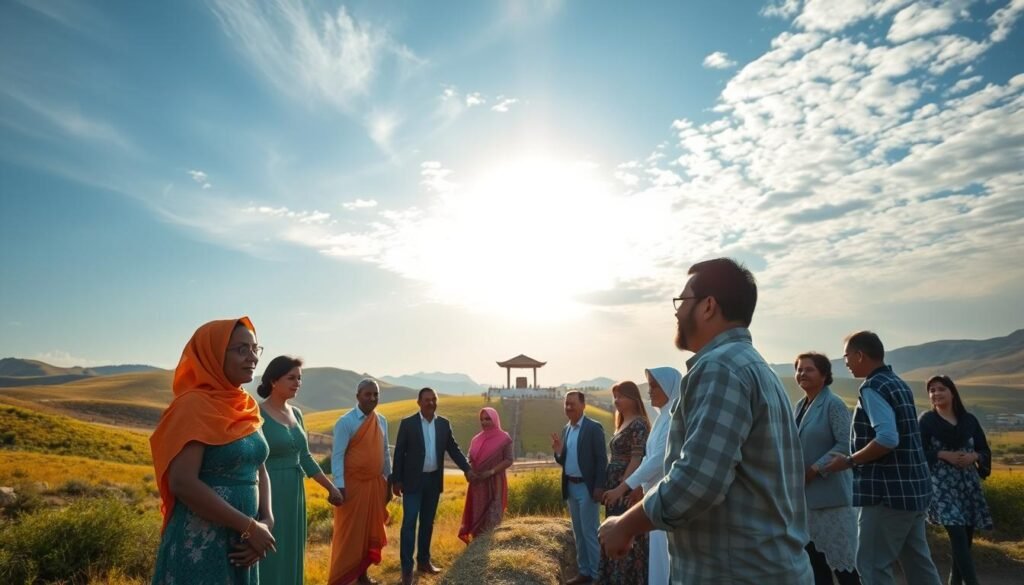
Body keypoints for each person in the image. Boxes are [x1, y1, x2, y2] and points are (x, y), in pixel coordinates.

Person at [599, 257, 812, 584]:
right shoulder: (754, 367)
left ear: (708, 306)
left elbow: (696, 482)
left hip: (736, 573)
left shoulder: (720, 369)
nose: (677, 312)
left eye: (682, 301)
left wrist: (625, 525)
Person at [150, 317, 275, 585]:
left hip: (243, 543)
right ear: (214, 354)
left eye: (255, 349)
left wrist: (266, 521)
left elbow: (259, 468)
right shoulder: (194, 405)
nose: (252, 357)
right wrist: (249, 527)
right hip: (201, 543)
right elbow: (183, 482)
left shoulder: (246, 405)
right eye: (242, 349)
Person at [823, 331, 941, 585]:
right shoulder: (897, 382)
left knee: (873, 565)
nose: (845, 362)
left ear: (860, 355)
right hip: (914, 490)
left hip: (886, 494)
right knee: (919, 563)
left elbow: (888, 438)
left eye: (846, 356)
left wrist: (849, 461)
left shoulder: (872, 388)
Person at [257, 356, 343, 585]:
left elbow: (305, 457)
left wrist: (331, 487)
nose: (297, 383)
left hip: (295, 493)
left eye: (300, 379)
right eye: (291, 378)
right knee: (269, 551)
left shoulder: (297, 414)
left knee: (291, 549)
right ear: (274, 381)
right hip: (268, 492)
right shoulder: (256, 414)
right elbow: (252, 459)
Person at [601, 367, 680, 585]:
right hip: (652, 493)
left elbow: (657, 460)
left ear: (668, 387)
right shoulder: (664, 416)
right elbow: (649, 458)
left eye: (654, 386)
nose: (650, 391)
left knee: (664, 558)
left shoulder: (673, 418)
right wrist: (638, 486)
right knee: (657, 559)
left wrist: (623, 487)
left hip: (664, 495)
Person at [391, 388, 472, 585]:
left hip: (433, 482)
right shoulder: (408, 423)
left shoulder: (443, 424)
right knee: (409, 524)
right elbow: (399, 452)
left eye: (434, 399)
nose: (430, 403)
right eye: (426, 400)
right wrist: (396, 480)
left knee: (428, 523)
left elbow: (454, 449)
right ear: (418, 402)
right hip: (412, 482)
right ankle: (407, 569)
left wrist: (467, 469)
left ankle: (424, 562)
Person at [792, 352, 860, 585]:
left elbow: (845, 443)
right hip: (806, 503)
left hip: (832, 500)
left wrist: (814, 469)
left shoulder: (834, 404)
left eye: (809, 369)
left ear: (824, 375)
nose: (802, 374)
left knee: (845, 568)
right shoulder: (799, 407)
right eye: (799, 369)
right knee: (816, 567)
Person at [919, 375, 993, 585]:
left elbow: (983, 449)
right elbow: (918, 452)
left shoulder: (969, 421)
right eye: (932, 390)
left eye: (941, 389)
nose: (936, 393)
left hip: (967, 485)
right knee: (958, 537)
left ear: (952, 392)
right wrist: (942, 454)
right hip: (941, 486)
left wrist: (975, 457)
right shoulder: (926, 421)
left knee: (964, 543)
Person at [328, 379, 392, 585]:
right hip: (351, 488)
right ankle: (342, 578)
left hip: (376, 485)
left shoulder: (381, 421)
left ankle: (362, 576)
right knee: (349, 536)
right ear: (358, 396)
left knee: (367, 534)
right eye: (368, 394)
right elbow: (337, 456)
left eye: (376, 394)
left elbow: (385, 453)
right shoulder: (345, 422)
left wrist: (389, 482)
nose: (372, 398)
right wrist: (340, 486)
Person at [551, 390, 608, 585]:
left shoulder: (593, 428)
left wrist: (599, 486)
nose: (568, 407)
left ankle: (597, 575)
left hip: (588, 488)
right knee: (578, 532)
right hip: (571, 487)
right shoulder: (566, 429)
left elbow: (602, 460)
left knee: (590, 532)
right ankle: (584, 572)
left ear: (583, 405)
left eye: (572, 403)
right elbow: (564, 460)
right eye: (566, 404)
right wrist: (559, 452)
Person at [598, 381, 650, 585]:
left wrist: (623, 486)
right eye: (615, 396)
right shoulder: (623, 421)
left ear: (633, 398)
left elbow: (637, 459)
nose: (616, 401)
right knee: (612, 530)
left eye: (621, 396)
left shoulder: (638, 424)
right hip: (616, 486)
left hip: (626, 489)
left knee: (624, 532)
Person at [458, 406, 514, 543]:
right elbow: (469, 457)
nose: (484, 422)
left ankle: (491, 547)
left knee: (493, 517)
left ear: (495, 419)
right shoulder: (476, 439)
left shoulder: (504, 438)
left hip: (495, 482)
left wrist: (491, 472)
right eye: (482, 419)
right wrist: (468, 470)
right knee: (477, 514)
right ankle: (477, 547)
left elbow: (509, 459)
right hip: (477, 484)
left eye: (488, 419)